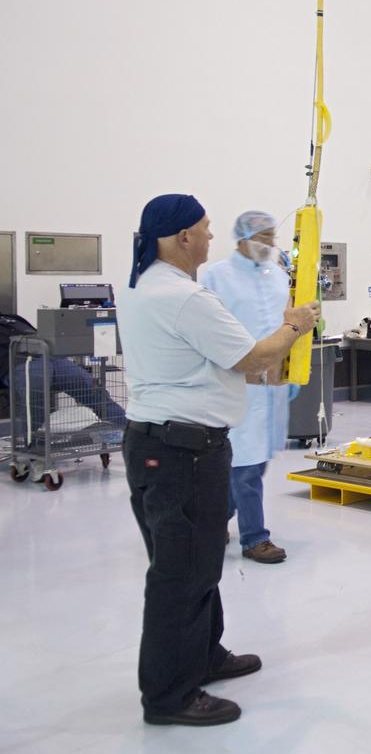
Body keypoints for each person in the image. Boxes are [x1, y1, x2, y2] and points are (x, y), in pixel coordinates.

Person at [116, 194, 319, 726]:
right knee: (180, 574)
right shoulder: (186, 297)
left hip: (167, 444)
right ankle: (169, 696)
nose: (210, 237)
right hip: (182, 451)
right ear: (182, 236)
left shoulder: (145, 286)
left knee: (198, 563)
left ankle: (205, 655)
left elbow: (210, 360)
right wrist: (296, 325)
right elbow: (252, 354)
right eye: (204, 229)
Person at [201, 210, 294, 565]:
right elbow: (209, 330)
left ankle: (215, 519)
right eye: (263, 237)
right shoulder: (217, 276)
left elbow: (288, 323)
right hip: (237, 383)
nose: (269, 245)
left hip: (273, 387)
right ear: (242, 238)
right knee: (245, 464)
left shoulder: (277, 277)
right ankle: (255, 538)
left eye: (272, 238)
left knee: (256, 460)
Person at [0, 311, 127, 433]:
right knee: (37, 381)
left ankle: (128, 431)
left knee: (89, 384)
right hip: (19, 363)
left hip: (52, 358)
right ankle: (34, 442)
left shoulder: (12, 319)